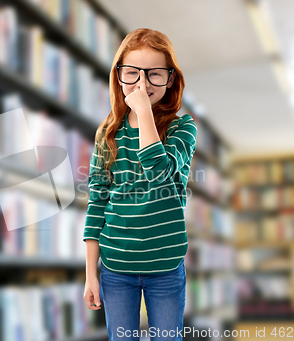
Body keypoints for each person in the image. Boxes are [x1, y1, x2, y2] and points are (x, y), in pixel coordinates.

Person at [82, 28, 198, 341]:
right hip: (116, 268)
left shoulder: (183, 128)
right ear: (118, 77)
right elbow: (97, 204)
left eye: (155, 74)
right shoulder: (108, 133)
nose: (142, 84)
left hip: (166, 267)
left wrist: (144, 112)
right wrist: (90, 274)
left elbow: (158, 172)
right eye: (132, 73)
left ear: (170, 78)